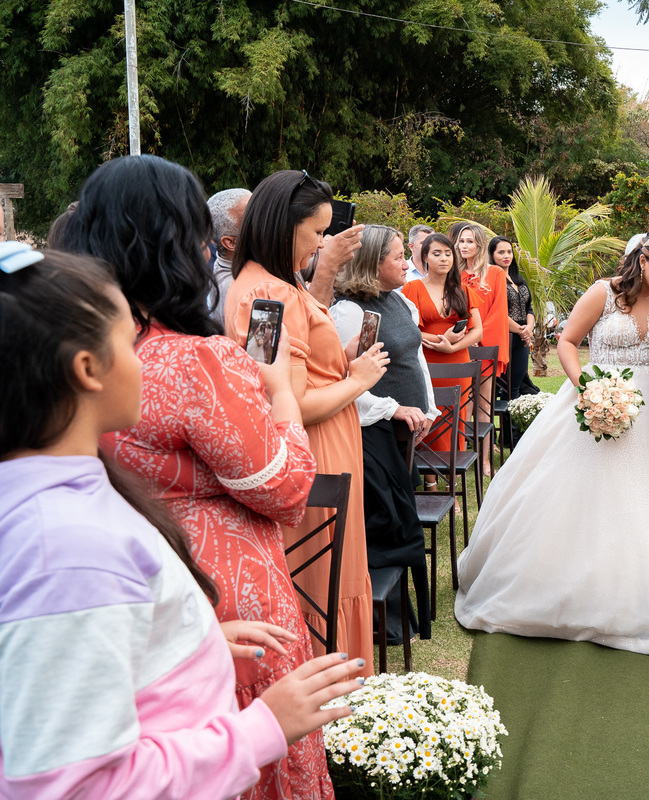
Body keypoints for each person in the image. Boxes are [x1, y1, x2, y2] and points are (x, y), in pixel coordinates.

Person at [0, 244, 365, 800]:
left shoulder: (58, 502)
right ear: (87, 369)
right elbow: (78, 785)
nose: (149, 356)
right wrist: (261, 728)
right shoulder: (69, 551)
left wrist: (187, 642)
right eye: (129, 341)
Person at [59, 156, 337, 799]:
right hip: (222, 585)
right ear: (185, 241)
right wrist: (279, 395)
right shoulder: (196, 359)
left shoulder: (79, 345)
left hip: (123, 585)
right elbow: (289, 488)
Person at [454, 226, 649, 656]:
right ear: (643, 260)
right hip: (596, 392)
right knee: (577, 493)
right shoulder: (603, 292)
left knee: (648, 496)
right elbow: (568, 342)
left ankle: (634, 586)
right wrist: (587, 389)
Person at [226, 170, 389, 672]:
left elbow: (295, 373)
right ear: (283, 225)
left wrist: (340, 359)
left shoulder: (270, 286)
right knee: (321, 579)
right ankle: (327, 683)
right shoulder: (266, 298)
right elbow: (285, 400)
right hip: (314, 447)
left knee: (329, 574)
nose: (320, 245)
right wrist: (359, 379)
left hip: (328, 442)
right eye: (315, 233)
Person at [330, 224, 436, 643]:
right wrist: (394, 410)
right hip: (371, 434)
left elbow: (417, 360)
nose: (408, 263)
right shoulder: (349, 313)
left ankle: (398, 617)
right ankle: (384, 624)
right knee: (385, 526)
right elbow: (347, 385)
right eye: (398, 256)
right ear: (374, 264)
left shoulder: (401, 303)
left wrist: (427, 408)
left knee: (401, 518)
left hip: (407, 429)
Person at [402, 233, 483, 460]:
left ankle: (452, 479)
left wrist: (452, 348)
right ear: (425, 257)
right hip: (425, 363)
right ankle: (429, 482)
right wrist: (440, 340)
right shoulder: (412, 288)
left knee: (455, 418)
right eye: (437, 254)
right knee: (429, 417)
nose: (444, 259)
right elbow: (410, 331)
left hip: (458, 362)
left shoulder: (463, 290)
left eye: (448, 254)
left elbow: (478, 330)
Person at [457, 222, 509, 476]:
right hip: (460, 345)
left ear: (479, 244)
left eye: (468, 241)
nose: (463, 245)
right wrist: (465, 336)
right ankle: (463, 457)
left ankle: (485, 459)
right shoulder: (454, 274)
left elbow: (499, 311)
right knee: (462, 403)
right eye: (460, 241)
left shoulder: (495, 274)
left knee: (484, 404)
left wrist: (480, 337)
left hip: (485, 346)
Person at [492, 235, 533, 400]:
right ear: (492, 255)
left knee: (515, 387)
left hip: (522, 339)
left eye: (509, 251)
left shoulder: (519, 280)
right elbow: (497, 313)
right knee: (495, 388)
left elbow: (528, 308)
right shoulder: (491, 280)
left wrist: (528, 329)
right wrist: (521, 330)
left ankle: (512, 426)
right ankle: (492, 426)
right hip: (503, 337)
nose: (506, 255)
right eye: (501, 252)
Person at [208, 188, 252, 323]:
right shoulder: (233, 291)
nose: (265, 219)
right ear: (231, 243)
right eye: (252, 217)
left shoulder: (259, 259)